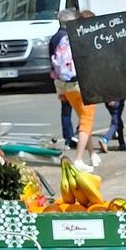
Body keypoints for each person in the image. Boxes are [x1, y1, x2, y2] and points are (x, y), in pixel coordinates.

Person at [50, 9, 100, 170]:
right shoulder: (83, 37)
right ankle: (78, 159)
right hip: (82, 84)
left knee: (83, 120)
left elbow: (54, 66)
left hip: (66, 86)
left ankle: (92, 154)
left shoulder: (59, 39)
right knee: (87, 121)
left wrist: (60, 91)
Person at [49, 17, 77, 150]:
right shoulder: (70, 37)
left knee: (66, 110)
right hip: (72, 77)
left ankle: (68, 138)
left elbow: (51, 58)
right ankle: (79, 134)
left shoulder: (54, 38)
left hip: (59, 78)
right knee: (83, 110)